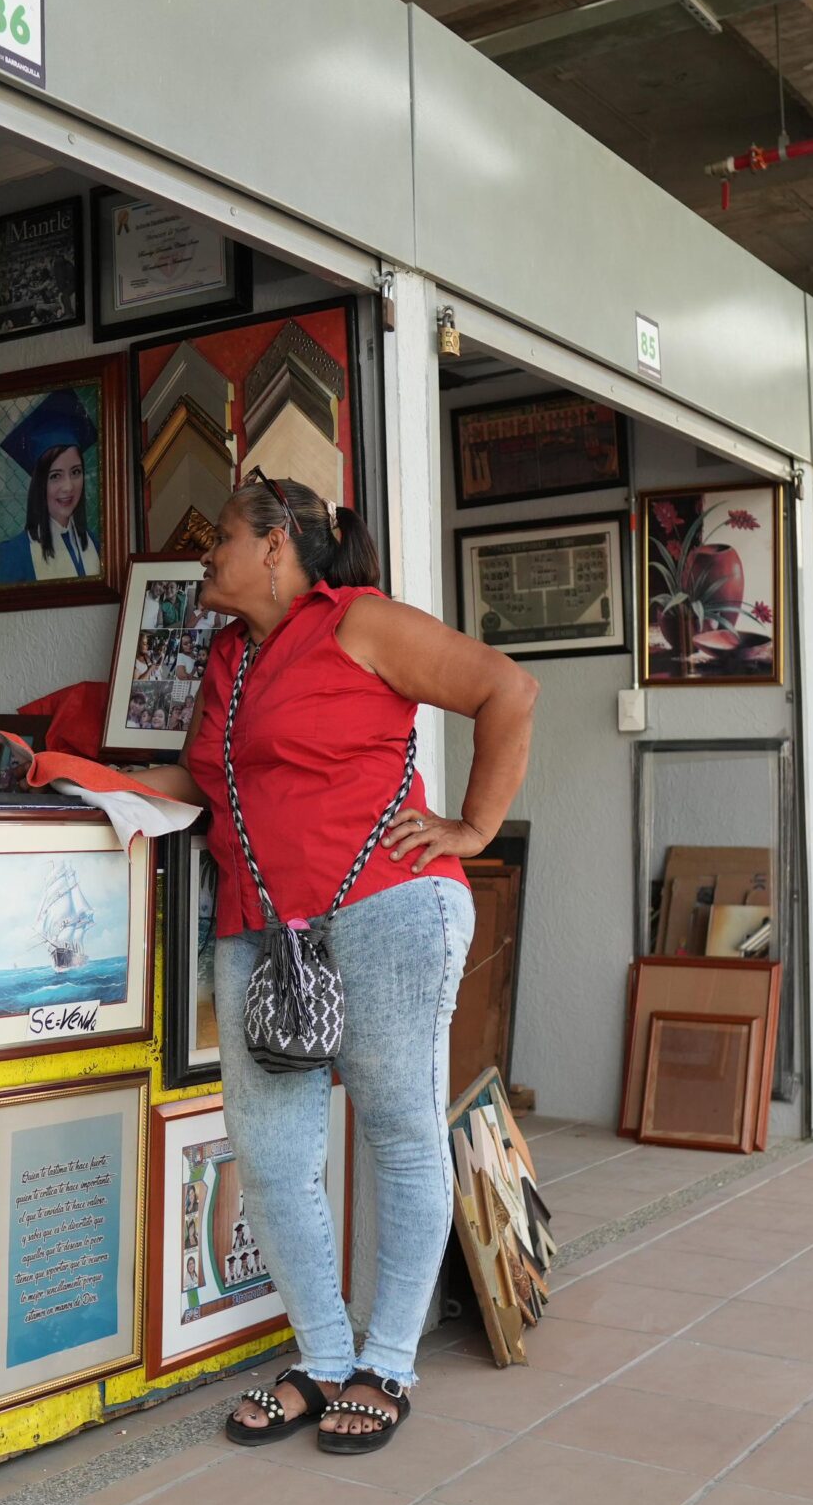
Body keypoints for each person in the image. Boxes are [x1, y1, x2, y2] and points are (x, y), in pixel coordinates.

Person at [130, 469, 538, 1454]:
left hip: (386, 908)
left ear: (276, 546)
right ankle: (319, 1358)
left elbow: (506, 689)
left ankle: (386, 1363)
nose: (204, 553)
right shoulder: (226, 654)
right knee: (269, 1155)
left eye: (219, 535)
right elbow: (212, 776)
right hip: (263, 929)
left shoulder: (358, 622)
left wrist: (471, 827)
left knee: (397, 1129)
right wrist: (82, 782)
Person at [0, 389, 103, 586]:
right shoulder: (11, 558)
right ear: (39, 483)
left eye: (76, 472)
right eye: (55, 476)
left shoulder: (95, 546)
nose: (68, 487)